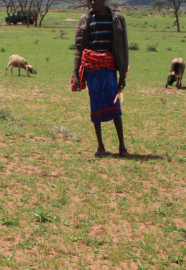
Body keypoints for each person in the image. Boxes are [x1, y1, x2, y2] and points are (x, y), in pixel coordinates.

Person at [71, 0, 131, 158]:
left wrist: (123, 75)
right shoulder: (85, 20)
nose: (92, 2)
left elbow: (123, 47)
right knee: (95, 106)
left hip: (109, 68)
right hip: (92, 70)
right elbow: (79, 47)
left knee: (115, 105)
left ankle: (122, 146)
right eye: (90, 0)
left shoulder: (117, 18)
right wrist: (75, 73)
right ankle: (100, 146)